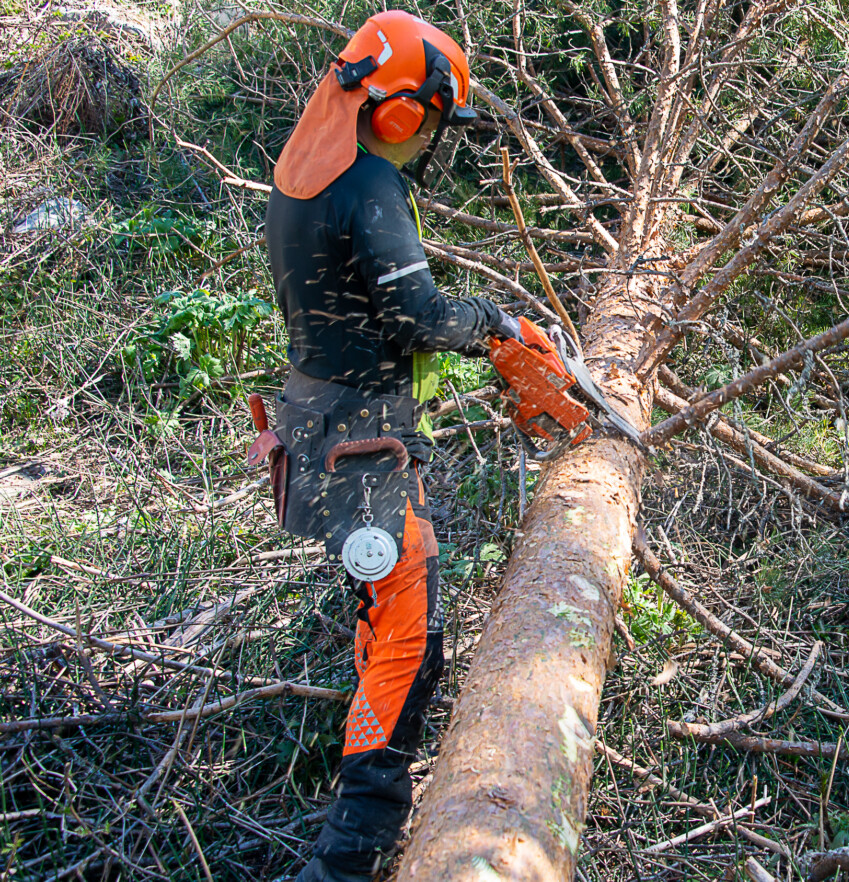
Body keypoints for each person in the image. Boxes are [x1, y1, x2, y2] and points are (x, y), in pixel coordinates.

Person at [257, 11, 520, 881]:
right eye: (433, 120)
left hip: (316, 422)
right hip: (362, 445)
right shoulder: (368, 183)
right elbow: (421, 318)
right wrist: (493, 321)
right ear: (403, 109)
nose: (432, 138)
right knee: (409, 639)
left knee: (380, 618)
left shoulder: (301, 169)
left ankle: (358, 816)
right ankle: (351, 854)